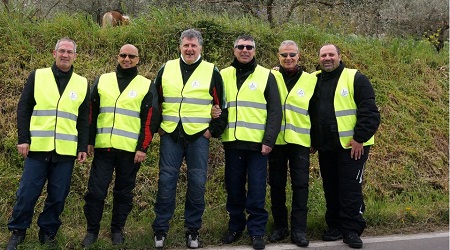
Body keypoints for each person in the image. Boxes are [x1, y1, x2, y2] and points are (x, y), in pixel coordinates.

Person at [6, 37, 89, 250]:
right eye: (61, 51)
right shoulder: (38, 76)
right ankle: (18, 231)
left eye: (69, 52)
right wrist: (23, 139)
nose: (65, 55)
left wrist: (82, 147)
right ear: (54, 53)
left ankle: (48, 232)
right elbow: (23, 108)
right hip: (38, 148)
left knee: (57, 196)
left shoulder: (82, 82)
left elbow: (83, 118)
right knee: (27, 193)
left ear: (75, 56)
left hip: (65, 151)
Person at [151, 28, 227, 249]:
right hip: (170, 135)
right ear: (180, 47)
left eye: (194, 46)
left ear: (200, 48)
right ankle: (160, 230)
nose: (190, 49)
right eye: (186, 45)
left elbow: (222, 104)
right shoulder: (166, 68)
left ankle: (193, 231)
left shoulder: (212, 71)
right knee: (166, 182)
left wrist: (211, 131)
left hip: (198, 137)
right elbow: (156, 100)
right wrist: (158, 128)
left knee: (197, 184)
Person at [81, 44, 159, 247]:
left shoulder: (145, 84)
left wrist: (143, 147)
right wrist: (89, 140)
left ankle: (117, 230)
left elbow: (149, 119)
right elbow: (91, 111)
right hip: (103, 148)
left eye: (131, 56)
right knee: (96, 192)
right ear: (117, 57)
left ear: (138, 59)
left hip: (130, 151)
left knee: (123, 193)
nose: (127, 59)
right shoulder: (103, 80)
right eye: (123, 55)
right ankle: (92, 231)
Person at [309, 43, 380, 249]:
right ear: (319, 58)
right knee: (330, 187)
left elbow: (370, 112)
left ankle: (351, 230)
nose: (327, 58)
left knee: (350, 188)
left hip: (353, 145)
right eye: (323, 55)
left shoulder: (355, 78)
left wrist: (359, 138)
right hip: (326, 145)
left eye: (331, 54)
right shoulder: (314, 79)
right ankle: (335, 226)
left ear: (340, 56)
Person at [220, 34, 282, 250]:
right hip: (233, 143)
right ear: (234, 49)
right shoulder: (223, 74)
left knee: (256, 191)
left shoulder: (266, 75)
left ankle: (257, 232)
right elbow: (216, 106)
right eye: (240, 47)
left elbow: (275, 111)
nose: (244, 50)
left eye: (249, 47)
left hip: (258, 146)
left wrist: (269, 140)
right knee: (234, 189)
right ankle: (235, 227)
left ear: (254, 51)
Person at [268, 40, 317, 247]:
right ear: (278, 57)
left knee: (300, 186)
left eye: (292, 54)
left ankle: (299, 230)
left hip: (300, 142)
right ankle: (280, 227)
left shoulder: (311, 80)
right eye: (284, 55)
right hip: (277, 141)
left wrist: (315, 139)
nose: (288, 58)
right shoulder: (270, 76)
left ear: (299, 56)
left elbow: (316, 111)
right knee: (277, 186)